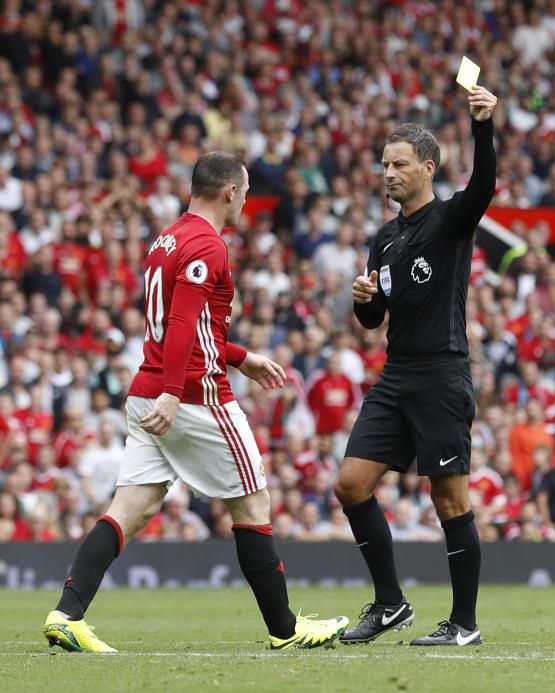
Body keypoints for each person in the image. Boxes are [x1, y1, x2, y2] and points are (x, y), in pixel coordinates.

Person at [43, 152, 348, 653]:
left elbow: (180, 326)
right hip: (191, 396)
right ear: (230, 192)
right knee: (253, 501)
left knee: (132, 508)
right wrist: (173, 389)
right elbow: (182, 322)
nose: (246, 201)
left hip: (147, 393)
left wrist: (240, 356)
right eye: (245, 192)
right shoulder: (209, 243)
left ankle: (66, 614)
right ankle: (285, 629)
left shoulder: (166, 239)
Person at [334, 86, 498, 647]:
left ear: (427, 168)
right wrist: (362, 298)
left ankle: (465, 625)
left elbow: (484, 187)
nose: (388, 173)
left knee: (450, 499)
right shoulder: (385, 237)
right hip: (396, 373)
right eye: (384, 164)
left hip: (442, 374)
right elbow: (374, 317)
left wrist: (482, 127)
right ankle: (390, 604)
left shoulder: (452, 219)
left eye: (399, 164)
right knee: (351, 485)